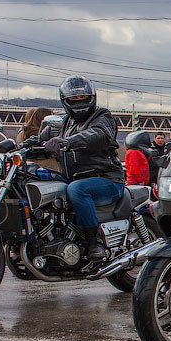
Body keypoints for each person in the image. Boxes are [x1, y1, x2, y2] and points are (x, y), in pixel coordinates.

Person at [36, 76, 126, 261]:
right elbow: (41, 140)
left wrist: (68, 142)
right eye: (73, 99)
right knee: (36, 176)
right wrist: (15, 148)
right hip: (74, 177)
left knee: (77, 189)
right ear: (65, 100)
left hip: (107, 179)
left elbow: (97, 134)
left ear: (91, 97)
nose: (78, 102)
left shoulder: (102, 117)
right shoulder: (65, 123)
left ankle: (93, 242)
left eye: (82, 98)